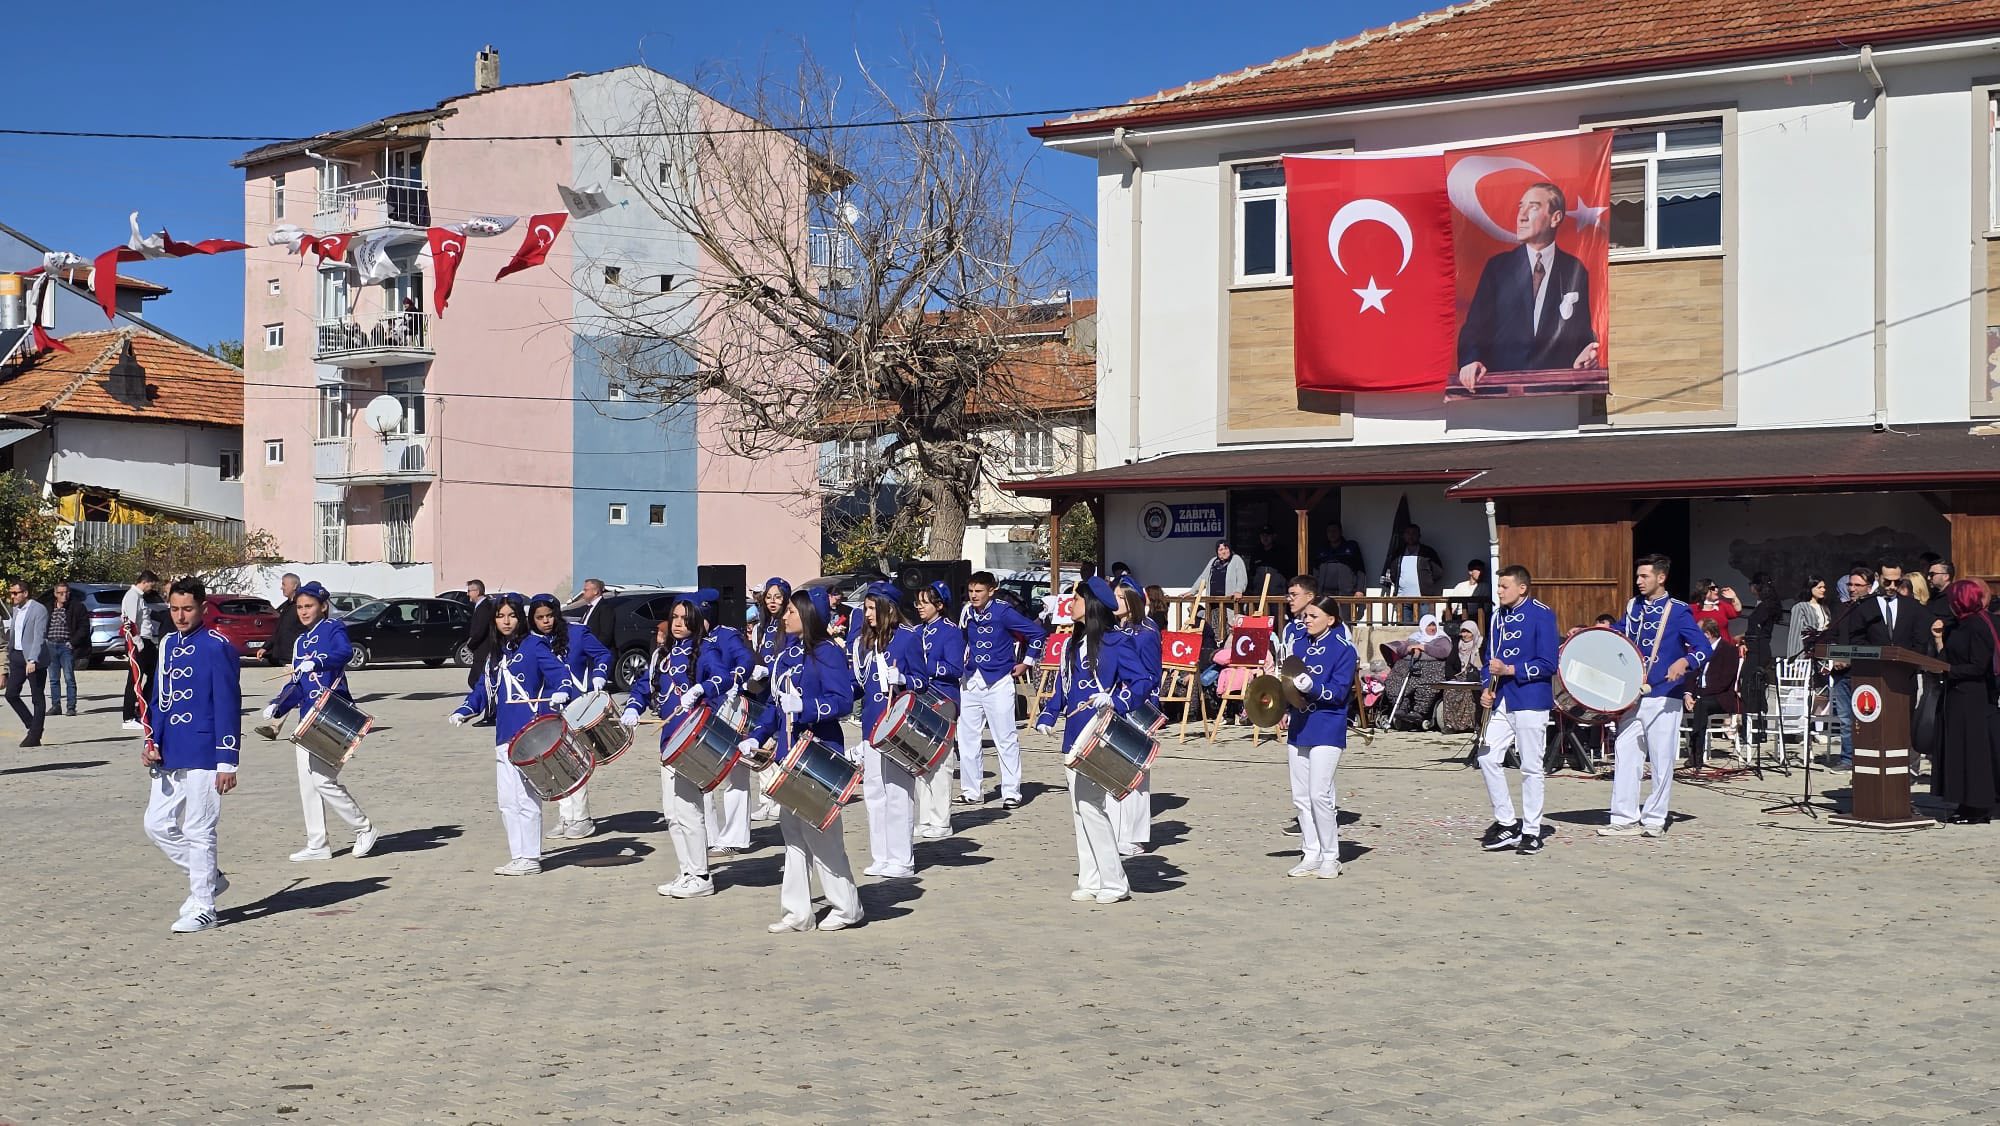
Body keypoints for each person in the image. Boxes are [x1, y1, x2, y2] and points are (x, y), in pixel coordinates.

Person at [736, 587, 863, 933]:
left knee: (823, 835)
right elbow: (776, 706)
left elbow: (843, 702)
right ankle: (797, 912)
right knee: (791, 835)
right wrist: (756, 736)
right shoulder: (784, 654)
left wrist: (806, 708)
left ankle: (847, 906)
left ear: (808, 614)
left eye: (791, 610)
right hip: (787, 755)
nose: (785, 615)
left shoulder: (827, 653)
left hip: (817, 752)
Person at [1035, 578, 1151, 902]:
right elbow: (1064, 686)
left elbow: (1143, 680)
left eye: (1077, 598)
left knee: (1090, 806)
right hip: (1073, 734)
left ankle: (1115, 882)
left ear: (1092, 604)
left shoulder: (1116, 641)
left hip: (1100, 733)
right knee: (1079, 809)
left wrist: (1117, 700)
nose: (1071, 603)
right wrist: (1048, 715)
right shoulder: (1071, 644)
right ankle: (1091, 878)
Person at [623, 596, 743, 898]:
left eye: (684, 618)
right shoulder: (663, 655)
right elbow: (644, 686)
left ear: (695, 621)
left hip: (691, 742)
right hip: (668, 743)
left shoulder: (704, 651)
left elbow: (724, 677)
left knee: (689, 810)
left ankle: (702, 875)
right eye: (674, 617)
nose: (678, 623)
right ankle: (687, 870)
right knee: (672, 813)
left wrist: (702, 688)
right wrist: (634, 708)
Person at [448, 593, 575, 875]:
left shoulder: (534, 645)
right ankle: (518, 855)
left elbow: (560, 676)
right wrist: (465, 709)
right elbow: (483, 688)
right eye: (500, 616)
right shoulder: (495, 653)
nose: (506, 621)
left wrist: (561, 692)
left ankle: (531, 857)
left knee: (526, 797)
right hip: (504, 735)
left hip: (530, 732)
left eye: (511, 615)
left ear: (520, 618)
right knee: (507, 800)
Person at [141, 576, 240, 933]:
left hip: (205, 750)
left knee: (199, 830)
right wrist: (151, 740)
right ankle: (210, 875)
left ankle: (204, 905)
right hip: (170, 750)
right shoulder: (167, 643)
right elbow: (158, 697)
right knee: (156, 824)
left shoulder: (218, 646)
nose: (180, 616)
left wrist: (227, 760)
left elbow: (229, 704)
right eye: (175, 609)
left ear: (203, 608)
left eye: (187, 609)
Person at [260, 582, 376, 862]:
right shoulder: (300, 641)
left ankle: (364, 827)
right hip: (307, 717)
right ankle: (317, 843)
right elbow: (298, 685)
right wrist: (279, 704)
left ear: (322, 606)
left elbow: (344, 653)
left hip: (332, 712)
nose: (303, 611)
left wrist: (319, 662)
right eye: (299, 607)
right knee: (307, 784)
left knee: (323, 780)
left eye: (309, 606)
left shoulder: (333, 628)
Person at [1601, 555, 1711, 837]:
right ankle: (1623, 816)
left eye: (1644, 576)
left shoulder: (1678, 610)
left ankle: (1654, 818)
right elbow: (1623, 634)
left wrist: (1685, 662)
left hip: (1664, 694)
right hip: (1633, 693)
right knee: (1626, 754)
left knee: (1661, 758)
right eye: (1637, 576)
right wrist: (1598, 634)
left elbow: (1703, 647)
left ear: (1661, 578)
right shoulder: (1633, 606)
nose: (1638, 581)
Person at [1455, 181, 1599, 391]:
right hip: (1501, 392)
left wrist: (1585, 356)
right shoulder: (1499, 268)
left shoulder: (1574, 270)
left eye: (1532, 207)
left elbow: (1580, 333)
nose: (1521, 216)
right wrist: (1470, 361)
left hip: (1554, 394)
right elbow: (1475, 327)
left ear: (1555, 218)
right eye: (1520, 207)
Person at [1474, 565, 1558, 854]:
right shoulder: (1498, 617)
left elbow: (1549, 664)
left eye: (1504, 586)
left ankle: (1532, 830)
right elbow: (1488, 659)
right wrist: (1487, 686)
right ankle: (1507, 822)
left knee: (1531, 766)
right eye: (1498, 586)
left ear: (1522, 587)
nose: (1499, 591)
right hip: (1503, 698)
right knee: (1486, 757)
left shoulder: (1542, 614)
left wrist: (1511, 668)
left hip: (1531, 698)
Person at [1274, 592, 1356, 878]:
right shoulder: (1299, 644)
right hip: (1300, 724)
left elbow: (1339, 692)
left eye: (1313, 616)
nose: (1306, 620)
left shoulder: (1344, 649)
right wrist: (1282, 705)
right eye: (1305, 616)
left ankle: (1331, 856)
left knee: (1319, 794)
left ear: (1330, 619)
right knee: (1300, 796)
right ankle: (1310, 852)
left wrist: (1314, 687)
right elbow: (1289, 684)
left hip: (1327, 725)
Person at [956, 570, 1046, 808]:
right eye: (971, 591)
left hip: (998, 680)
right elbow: (963, 640)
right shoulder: (966, 611)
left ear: (991, 591)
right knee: (967, 738)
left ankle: (1011, 791)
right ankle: (972, 790)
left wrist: (1027, 662)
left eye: (979, 591)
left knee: (1005, 737)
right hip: (971, 679)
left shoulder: (1004, 611)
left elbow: (1037, 633)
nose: (974, 596)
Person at [528, 593, 613, 840]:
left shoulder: (578, 633)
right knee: (556, 764)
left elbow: (603, 655)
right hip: (549, 708)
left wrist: (598, 674)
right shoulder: (532, 642)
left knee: (576, 761)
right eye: (540, 618)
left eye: (549, 615)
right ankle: (566, 817)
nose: (546, 621)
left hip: (577, 705)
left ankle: (582, 818)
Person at [853, 583, 919, 879]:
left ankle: (902, 857)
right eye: (865, 609)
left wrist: (903, 678)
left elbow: (924, 681)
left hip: (897, 725)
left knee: (898, 791)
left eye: (871, 608)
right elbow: (859, 683)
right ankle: (881, 855)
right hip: (871, 724)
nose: (867, 615)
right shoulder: (864, 643)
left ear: (888, 608)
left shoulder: (908, 638)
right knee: (874, 791)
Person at [897, 582, 964, 841]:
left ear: (939, 605)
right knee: (920, 760)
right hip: (919, 699)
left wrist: (926, 666)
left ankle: (941, 819)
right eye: (917, 602)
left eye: (925, 602)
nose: (920, 608)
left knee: (941, 761)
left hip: (943, 700)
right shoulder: (916, 631)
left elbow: (955, 669)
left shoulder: (950, 632)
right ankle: (924, 817)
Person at [1934, 580, 2000, 824]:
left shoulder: (1978, 626)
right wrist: (1939, 640)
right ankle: (1964, 802)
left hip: (1973, 697)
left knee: (1973, 753)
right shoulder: (1960, 625)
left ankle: (1979, 807)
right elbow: (1949, 656)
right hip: (1956, 696)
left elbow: (1978, 666)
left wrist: (1949, 670)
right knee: (1960, 752)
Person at [1115, 581, 1163, 856]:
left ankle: (1135, 835)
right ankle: (1119, 829)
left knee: (1137, 772)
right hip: (1116, 706)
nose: (1116, 602)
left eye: (1120, 597)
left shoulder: (1146, 632)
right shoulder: (1114, 630)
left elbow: (1152, 675)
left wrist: (1144, 707)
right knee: (1118, 769)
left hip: (1139, 707)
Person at [1827, 568, 1890, 769]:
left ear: (1869, 587)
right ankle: (1848, 758)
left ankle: (1869, 756)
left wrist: (1852, 659)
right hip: (1841, 672)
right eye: (1850, 585)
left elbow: (1875, 642)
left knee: (1868, 717)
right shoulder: (1842, 609)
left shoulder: (1875, 610)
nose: (1852, 589)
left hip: (1867, 673)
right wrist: (1835, 656)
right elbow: (1833, 637)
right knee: (1846, 718)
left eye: (1857, 585)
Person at [746, 577, 793, 821]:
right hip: (763, 691)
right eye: (769, 597)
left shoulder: (789, 624)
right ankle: (765, 798)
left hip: (781, 691)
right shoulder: (762, 626)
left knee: (777, 744)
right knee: (761, 746)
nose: (772, 601)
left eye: (778, 597)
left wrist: (770, 669)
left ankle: (779, 797)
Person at [1682, 618, 1740, 773]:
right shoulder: (1698, 651)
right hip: (1699, 695)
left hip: (1720, 697)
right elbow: (1690, 674)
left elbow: (1724, 681)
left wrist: (1699, 696)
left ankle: (1696, 756)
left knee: (1702, 705)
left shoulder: (1729, 650)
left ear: (1707, 634)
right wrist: (1688, 694)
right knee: (1672, 701)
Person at [6, 579, 49, 748]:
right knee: (11, 694)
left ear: (25, 593)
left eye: (15, 593)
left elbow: (39, 636)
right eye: (11, 593)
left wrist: (32, 659)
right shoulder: (16, 609)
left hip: (33, 658)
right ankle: (32, 724)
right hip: (16, 656)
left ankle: (35, 735)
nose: (13, 596)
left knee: (37, 697)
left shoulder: (38, 610)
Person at [120, 570, 161, 731]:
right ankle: (128, 716)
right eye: (152, 584)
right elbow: (130, 622)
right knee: (135, 679)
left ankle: (142, 706)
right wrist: (137, 643)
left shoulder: (139, 597)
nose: (152, 588)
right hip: (138, 642)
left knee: (155, 673)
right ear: (145, 581)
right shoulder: (132, 596)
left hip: (146, 640)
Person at [43, 581, 87, 718]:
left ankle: (71, 706)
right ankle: (56, 706)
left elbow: (84, 627)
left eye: (66, 592)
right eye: (61, 593)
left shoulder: (77, 607)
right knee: (53, 678)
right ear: (55, 594)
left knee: (69, 677)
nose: (64, 596)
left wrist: (72, 642)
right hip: (51, 645)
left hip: (66, 646)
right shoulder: (49, 607)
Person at [1379, 524, 1445, 606]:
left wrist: (1427, 582)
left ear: (1419, 536)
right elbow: (1393, 574)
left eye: (1414, 533)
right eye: (1408, 533)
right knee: (1404, 619)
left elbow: (1438, 572)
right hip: (1402, 599)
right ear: (1404, 536)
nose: (1411, 536)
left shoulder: (1428, 552)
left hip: (1424, 599)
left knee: (1425, 619)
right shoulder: (1398, 553)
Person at [1783, 575, 1831, 658]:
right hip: (1807, 650)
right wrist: (1793, 657)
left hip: (1824, 649)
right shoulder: (1800, 607)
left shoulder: (1824, 607)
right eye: (1819, 587)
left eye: (1824, 587)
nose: (1823, 590)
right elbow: (1795, 634)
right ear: (1810, 588)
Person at [464, 579, 497, 695]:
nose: (467, 594)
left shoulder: (484, 607)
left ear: (477, 591)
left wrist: (470, 645)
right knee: (477, 680)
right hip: (481, 650)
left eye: (469, 591)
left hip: (484, 650)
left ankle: (487, 701)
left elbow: (480, 630)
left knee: (474, 680)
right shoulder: (481, 606)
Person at [266, 572, 303, 668]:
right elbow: (279, 630)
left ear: (294, 586)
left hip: (295, 658)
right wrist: (266, 647)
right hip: (284, 658)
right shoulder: (286, 606)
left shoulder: (301, 606)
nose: (281, 588)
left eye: (284, 584)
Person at [576, 577, 617, 654]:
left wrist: (593, 649)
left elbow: (606, 635)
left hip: (599, 654)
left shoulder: (605, 608)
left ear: (595, 591)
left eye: (586, 590)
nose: (583, 592)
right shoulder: (589, 608)